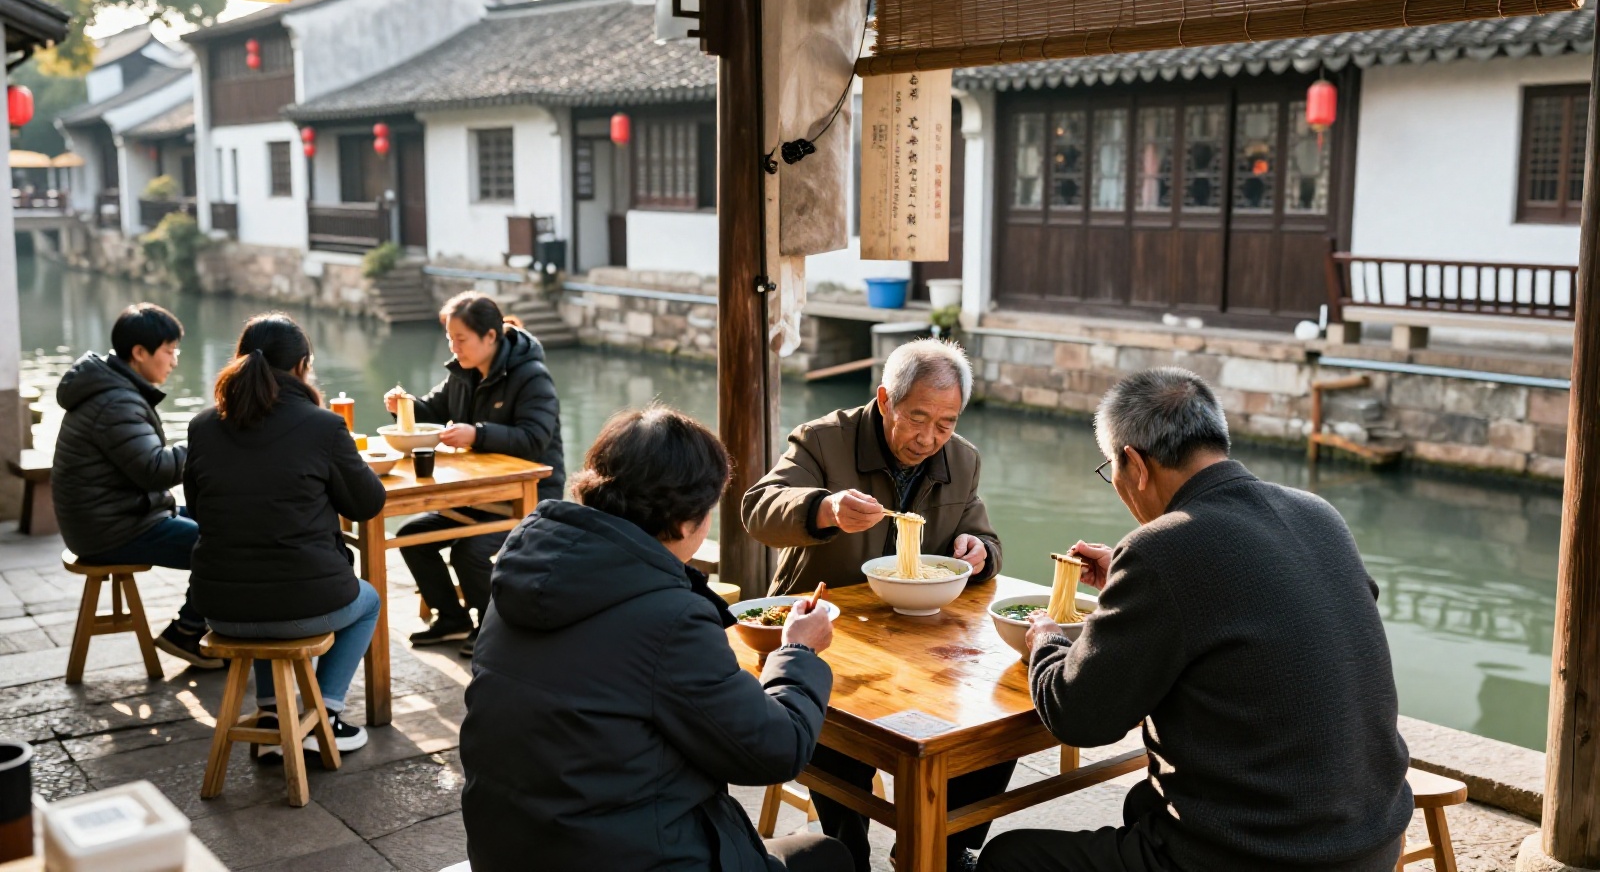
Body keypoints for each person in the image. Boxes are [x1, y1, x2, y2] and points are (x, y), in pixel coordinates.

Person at [981, 367, 1413, 872]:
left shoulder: (1162, 552)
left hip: (1258, 857)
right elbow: (1261, 611)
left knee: (1008, 858)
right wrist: (1131, 578)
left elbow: (1079, 715)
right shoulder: (1318, 514)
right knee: (1139, 807)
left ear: (1135, 465)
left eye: (1110, 470)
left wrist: (1048, 640)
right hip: (1371, 839)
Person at [460, 405, 848, 872]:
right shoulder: (670, 619)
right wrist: (799, 651)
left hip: (507, 848)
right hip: (625, 855)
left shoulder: (521, 571)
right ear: (687, 522)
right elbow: (775, 750)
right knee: (826, 856)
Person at [742, 338, 1005, 872]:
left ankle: (942, 849)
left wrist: (981, 553)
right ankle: (848, 853)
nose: (929, 438)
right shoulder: (823, 440)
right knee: (838, 739)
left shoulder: (962, 459)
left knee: (991, 733)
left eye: (946, 423)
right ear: (885, 400)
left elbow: (982, 536)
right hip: (833, 634)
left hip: (923, 640)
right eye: (917, 418)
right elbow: (758, 510)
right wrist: (823, 507)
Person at [185, 313, 387, 756]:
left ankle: (275, 715)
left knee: (259, 582)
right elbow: (367, 503)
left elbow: (199, 510)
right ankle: (325, 718)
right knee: (367, 600)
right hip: (300, 606)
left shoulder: (202, 426)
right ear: (302, 366)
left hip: (219, 609)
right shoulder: (323, 426)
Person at [386, 291, 564, 657]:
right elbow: (432, 409)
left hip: (529, 496)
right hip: (476, 494)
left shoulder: (531, 376)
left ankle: (491, 627)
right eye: (450, 338)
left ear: (490, 337)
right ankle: (451, 619)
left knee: (470, 550)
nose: (454, 347)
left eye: (461, 339)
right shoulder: (462, 373)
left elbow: (534, 438)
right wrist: (403, 405)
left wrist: (478, 434)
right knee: (412, 536)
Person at [51, 303, 219, 670]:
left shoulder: (115, 389)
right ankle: (188, 632)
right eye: (169, 351)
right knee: (227, 546)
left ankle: (199, 626)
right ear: (139, 353)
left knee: (227, 520)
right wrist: (208, 440)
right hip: (113, 529)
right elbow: (154, 470)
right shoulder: (116, 402)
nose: (174, 360)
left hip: (118, 516)